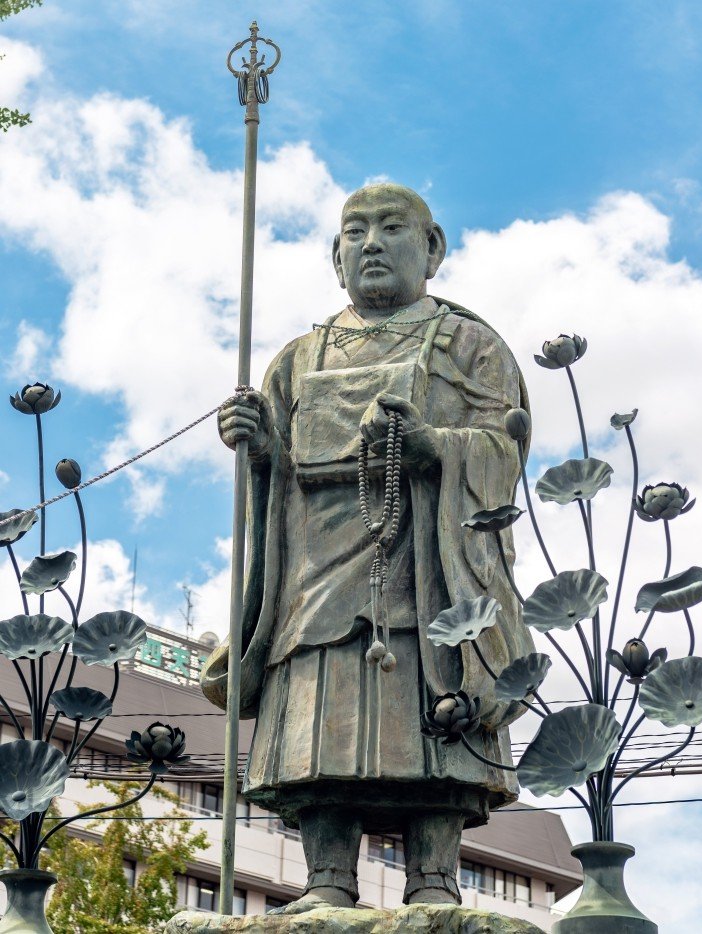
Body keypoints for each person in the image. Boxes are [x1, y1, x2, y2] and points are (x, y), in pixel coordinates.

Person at [201, 183, 534, 914]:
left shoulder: (469, 345)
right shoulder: (297, 358)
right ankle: (327, 875)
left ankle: (435, 876)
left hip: (429, 567)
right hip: (316, 574)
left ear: (433, 246)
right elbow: (273, 474)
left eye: (392, 227)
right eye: (356, 231)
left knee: (434, 699)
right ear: (336, 254)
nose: (373, 243)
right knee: (320, 715)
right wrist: (256, 444)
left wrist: (435, 447)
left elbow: (502, 453)